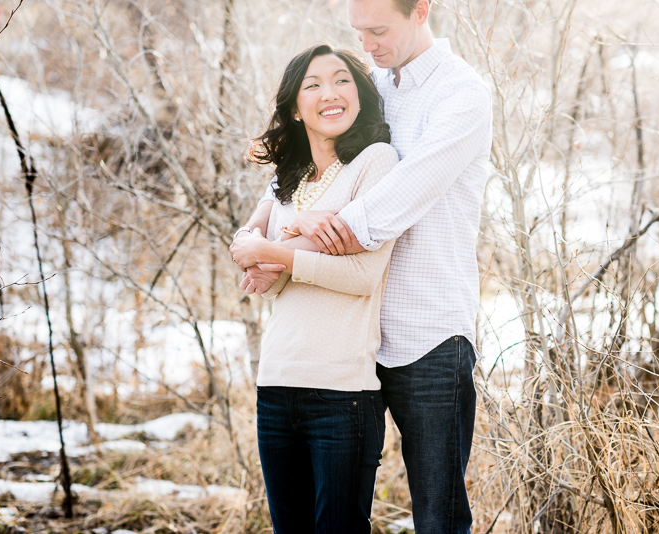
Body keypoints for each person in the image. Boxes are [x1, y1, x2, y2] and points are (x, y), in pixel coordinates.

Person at [243, 0, 492, 531]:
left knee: (437, 516)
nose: (368, 45)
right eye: (359, 33)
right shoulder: (371, 85)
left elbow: (402, 195)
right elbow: (316, 157)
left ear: (420, 10)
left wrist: (292, 241)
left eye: (378, 30)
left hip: (427, 337)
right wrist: (264, 221)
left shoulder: (460, 94)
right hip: (352, 345)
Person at [229, 44, 399, 533]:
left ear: (361, 94)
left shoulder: (375, 163)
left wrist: (277, 255)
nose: (331, 93)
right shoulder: (290, 180)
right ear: (295, 108)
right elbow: (263, 280)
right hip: (276, 384)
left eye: (343, 79)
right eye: (313, 84)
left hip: (342, 394)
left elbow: (363, 277)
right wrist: (265, 250)